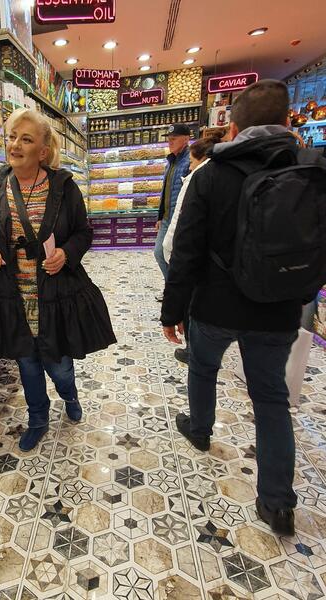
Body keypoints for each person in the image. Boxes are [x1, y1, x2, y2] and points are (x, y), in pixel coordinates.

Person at [160, 79, 326, 536]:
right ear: (288, 121)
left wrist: (172, 311)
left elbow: (186, 252)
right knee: (271, 399)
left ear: (232, 127)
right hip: (278, 308)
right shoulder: (312, 170)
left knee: (203, 368)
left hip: (216, 305)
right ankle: (277, 503)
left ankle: (200, 429)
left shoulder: (210, 175)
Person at [0, 108, 116, 452]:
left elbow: (83, 232)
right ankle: (38, 419)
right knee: (27, 363)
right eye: (12, 137)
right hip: (9, 297)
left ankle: (69, 394)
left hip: (54, 295)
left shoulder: (64, 187)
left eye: (25, 139)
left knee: (59, 365)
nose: (15, 145)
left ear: (43, 151)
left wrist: (67, 254)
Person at [162, 135, 221, 364]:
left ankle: (193, 350)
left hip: (196, 263)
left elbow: (182, 226)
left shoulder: (199, 178)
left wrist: (171, 312)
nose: (190, 166)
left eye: (193, 162)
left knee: (191, 301)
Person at [153, 123, 191, 290]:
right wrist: (160, 216)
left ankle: (177, 291)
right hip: (167, 218)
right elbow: (165, 191)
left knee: (173, 257)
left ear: (186, 139)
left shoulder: (190, 161)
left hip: (179, 220)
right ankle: (172, 289)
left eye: (174, 139)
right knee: (159, 253)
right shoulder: (171, 161)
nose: (170, 142)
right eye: (169, 139)